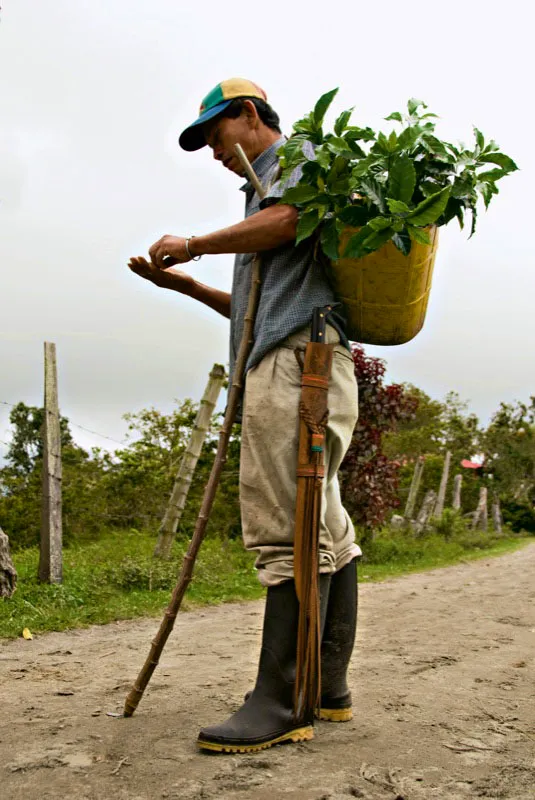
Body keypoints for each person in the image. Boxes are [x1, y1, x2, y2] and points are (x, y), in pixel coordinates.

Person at [128, 78, 361, 754]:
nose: (212, 153)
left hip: (299, 369)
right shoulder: (261, 195)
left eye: (215, 136)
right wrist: (190, 284)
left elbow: (288, 222)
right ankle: (327, 687)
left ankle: (281, 699)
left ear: (249, 115)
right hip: (296, 355)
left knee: (283, 528)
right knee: (323, 525)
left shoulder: (300, 159)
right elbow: (258, 313)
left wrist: (196, 244)